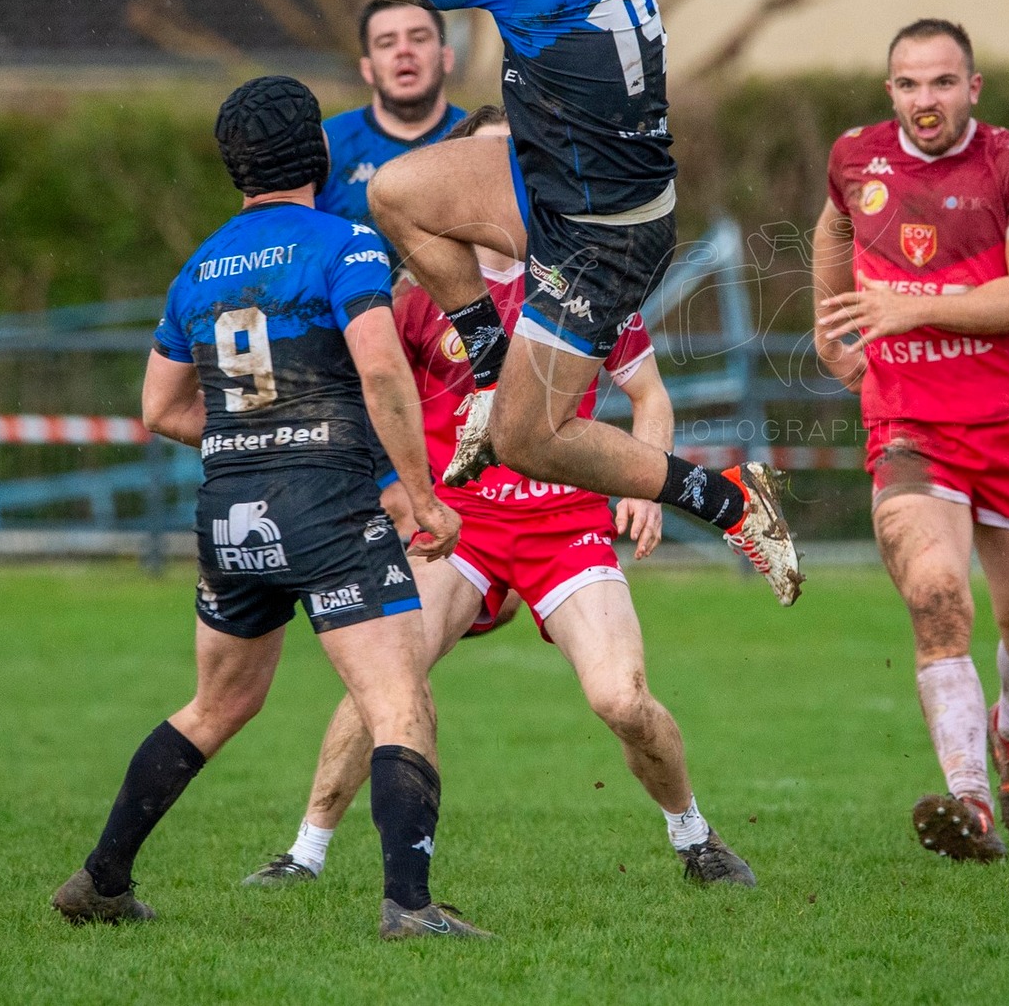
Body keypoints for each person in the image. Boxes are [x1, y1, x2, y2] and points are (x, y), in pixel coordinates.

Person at [305, 0, 801, 605]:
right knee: (397, 193)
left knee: (530, 441)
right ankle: (491, 368)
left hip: (604, 236)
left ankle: (728, 500)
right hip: (566, 185)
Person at [248, 106, 758, 890]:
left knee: (621, 699)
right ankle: (304, 852)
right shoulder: (418, 293)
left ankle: (693, 835)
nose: (490, 186)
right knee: (390, 673)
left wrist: (650, 485)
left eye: (507, 167)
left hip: (566, 523)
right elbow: (384, 402)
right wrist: (400, 491)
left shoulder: (582, 285)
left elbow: (649, 395)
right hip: (465, 523)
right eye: (474, 167)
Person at [51, 75, 490, 941]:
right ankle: (409, 905)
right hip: (325, 504)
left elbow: (162, 408)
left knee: (217, 704)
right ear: (322, 154)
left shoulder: (199, 268)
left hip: (229, 511)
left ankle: (102, 878)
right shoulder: (345, 244)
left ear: (234, 169)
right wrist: (419, 492)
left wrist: (251, 443)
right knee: (399, 699)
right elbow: (379, 368)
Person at [812, 19, 1009, 863]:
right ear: (890, 90)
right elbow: (832, 228)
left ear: (974, 87)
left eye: (942, 83)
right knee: (935, 594)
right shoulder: (856, 155)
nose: (925, 101)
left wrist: (910, 306)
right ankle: (970, 802)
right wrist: (831, 331)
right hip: (908, 425)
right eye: (908, 84)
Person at [315, 0, 467, 227]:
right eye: (387, 43)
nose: (404, 51)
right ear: (367, 70)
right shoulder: (327, 144)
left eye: (419, 38)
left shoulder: (480, 140)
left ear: (446, 58)